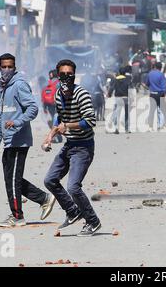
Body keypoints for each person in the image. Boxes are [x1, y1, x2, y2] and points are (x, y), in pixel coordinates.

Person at [0, 53, 56, 227]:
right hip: (8, 140)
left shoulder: (19, 84)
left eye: (9, 67)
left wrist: (18, 121)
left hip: (20, 139)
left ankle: (17, 216)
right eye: (3, 67)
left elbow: (33, 108)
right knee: (11, 178)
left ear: (14, 67)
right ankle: (44, 198)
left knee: (13, 178)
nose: (6, 70)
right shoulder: (1, 87)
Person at [43, 59, 101, 236]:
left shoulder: (81, 94)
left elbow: (91, 121)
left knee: (73, 187)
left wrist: (68, 126)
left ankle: (93, 221)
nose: (66, 78)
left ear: (74, 76)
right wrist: (50, 137)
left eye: (70, 75)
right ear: (57, 75)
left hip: (83, 147)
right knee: (50, 180)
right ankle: (72, 211)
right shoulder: (58, 94)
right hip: (69, 145)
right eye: (63, 75)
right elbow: (58, 117)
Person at [144, 62, 166, 131]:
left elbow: (147, 84)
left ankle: (150, 127)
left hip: (152, 94)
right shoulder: (161, 74)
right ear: (160, 68)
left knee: (152, 111)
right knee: (164, 111)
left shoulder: (150, 73)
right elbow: (163, 87)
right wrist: (165, 95)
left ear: (155, 67)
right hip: (160, 94)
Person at [108, 66, 131, 134]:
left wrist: (109, 94)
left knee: (117, 113)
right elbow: (130, 88)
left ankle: (117, 129)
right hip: (125, 97)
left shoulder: (115, 79)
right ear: (124, 73)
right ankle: (127, 129)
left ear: (119, 72)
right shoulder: (127, 79)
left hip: (118, 98)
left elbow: (112, 88)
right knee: (126, 114)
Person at [41, 69, 62, 143]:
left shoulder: (47, 83)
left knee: (53, 121)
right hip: (57, 105)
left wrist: (44, 107)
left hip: (49, 105)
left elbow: (43, 96)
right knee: (56, 121)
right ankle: (56, 137)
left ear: (51, 75)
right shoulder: (59, 83)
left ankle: (57, 136)